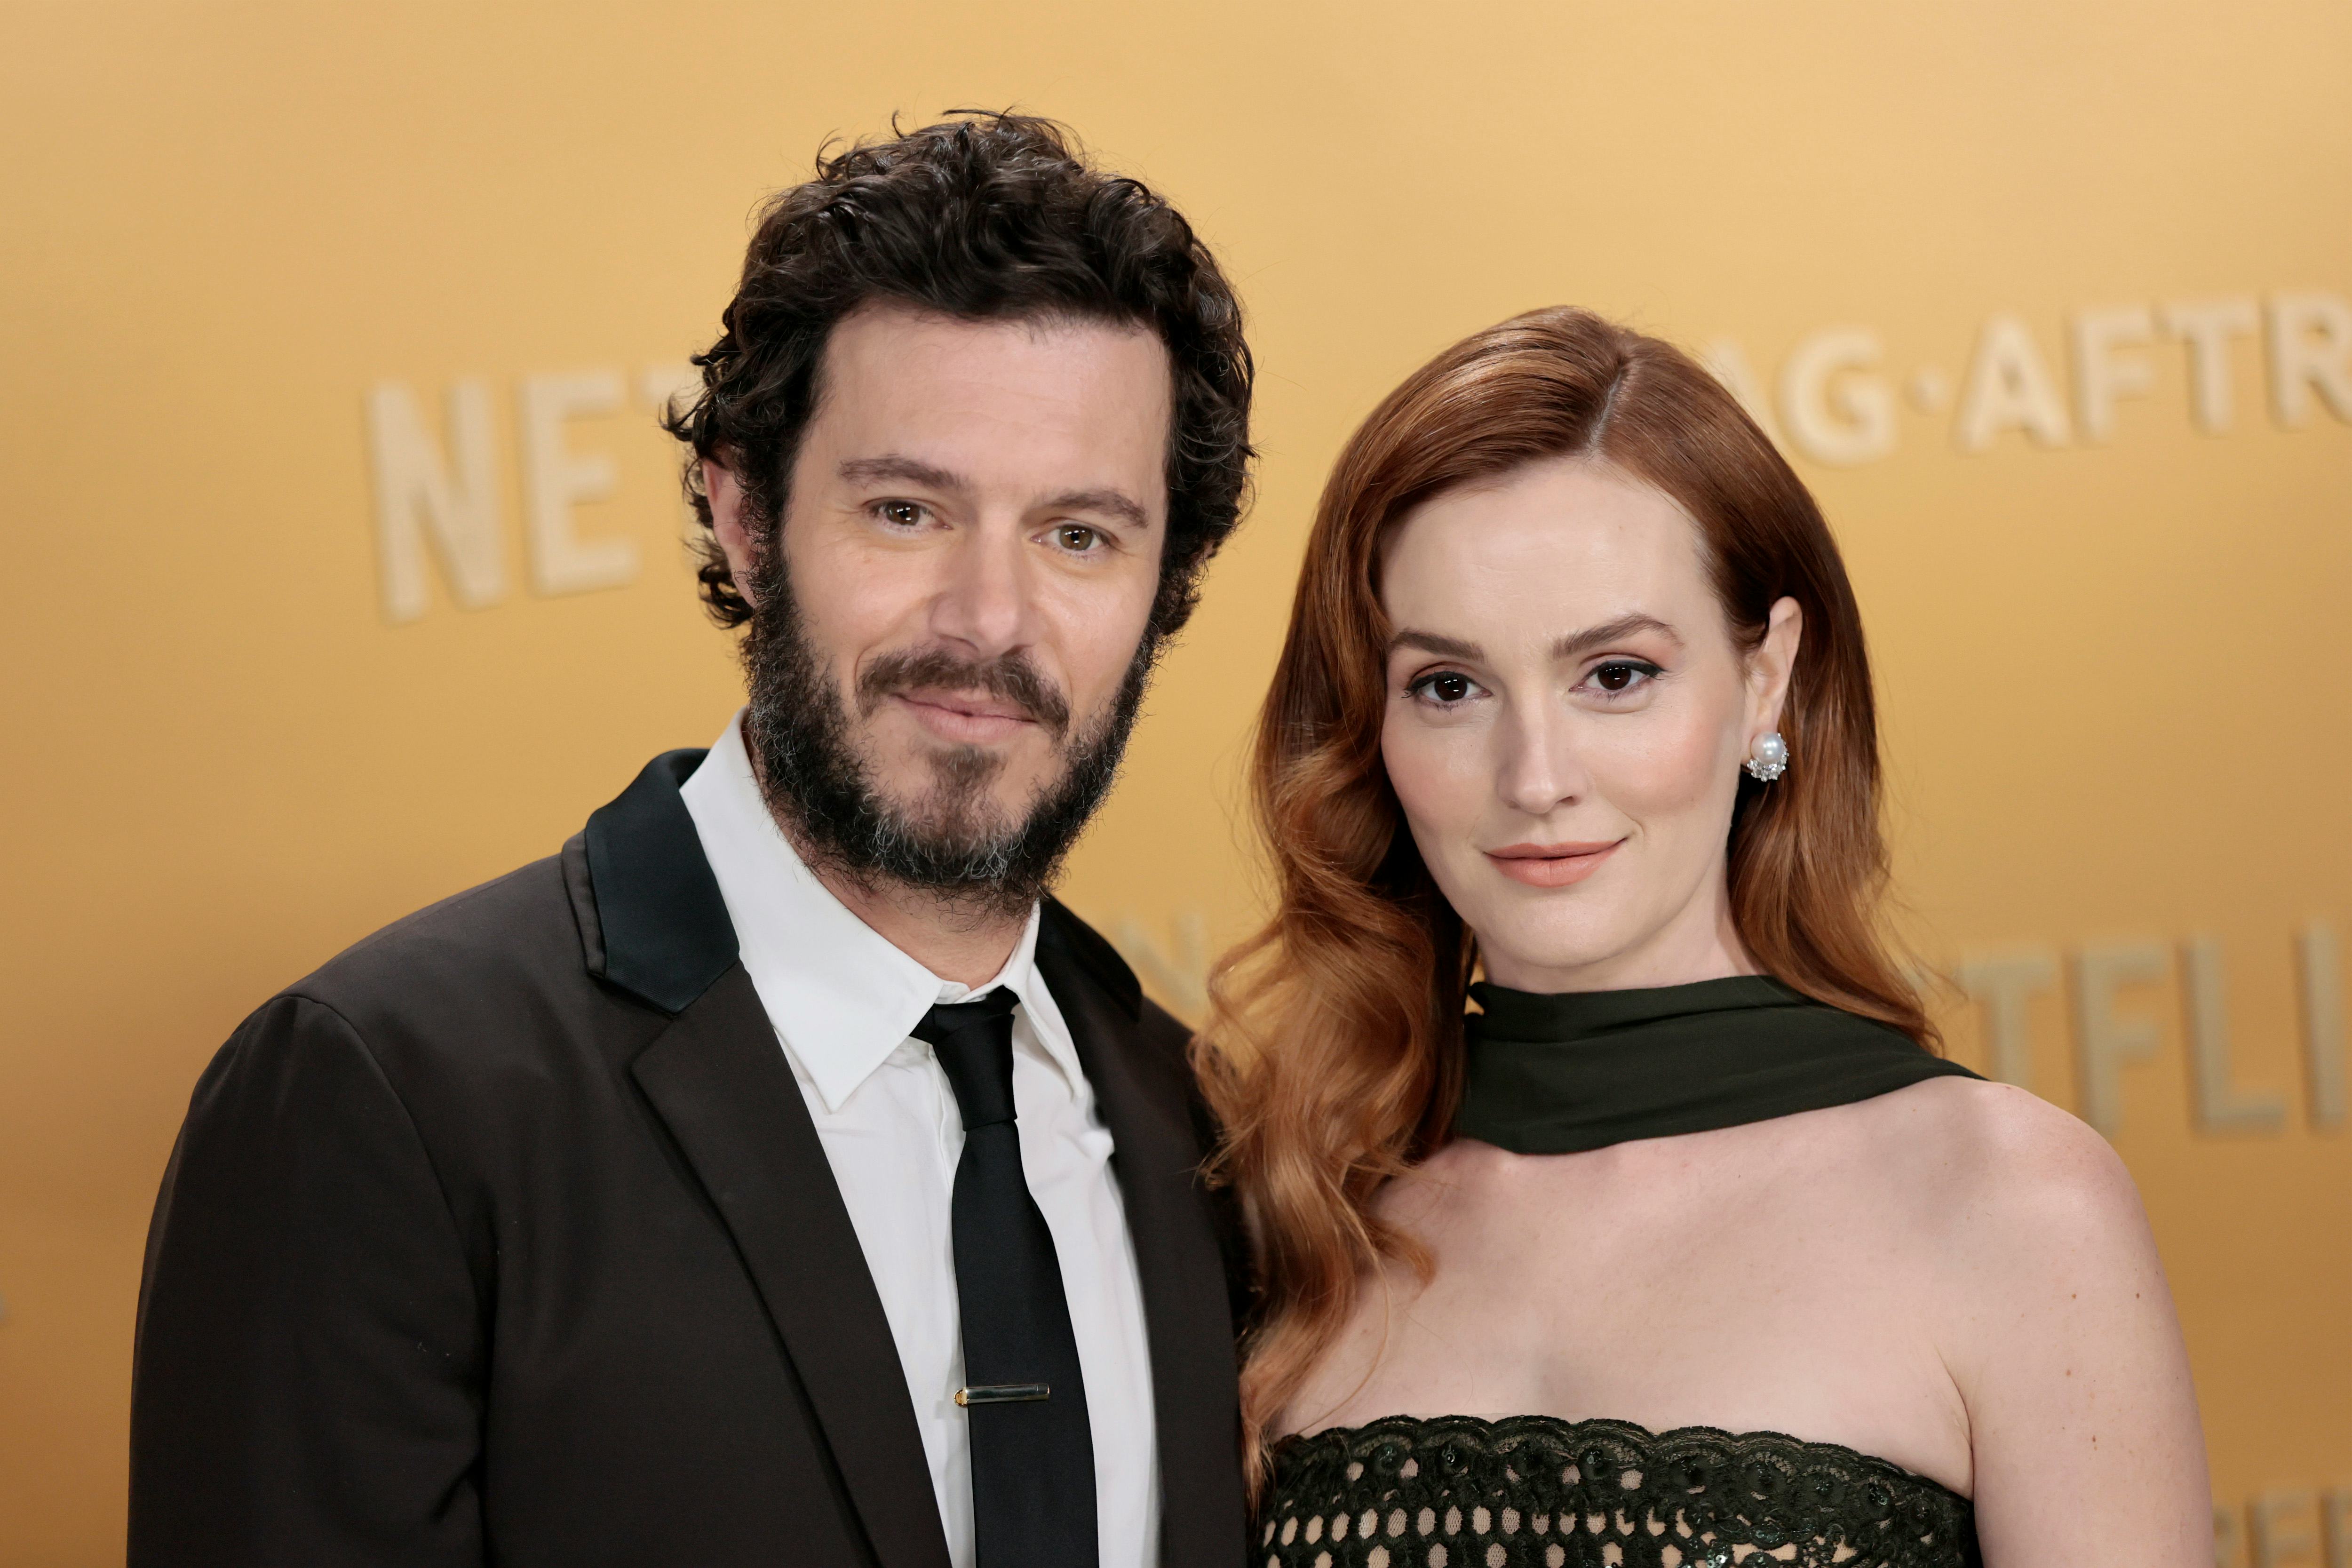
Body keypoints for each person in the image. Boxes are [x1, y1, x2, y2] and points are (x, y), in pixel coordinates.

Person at [131, 113, 1255, 1568]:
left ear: (1168, 579)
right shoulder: (387, 1097)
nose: (990, 620)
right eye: (907, 510)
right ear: (742, 512)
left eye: (1080, 535)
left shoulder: (1206, 1133)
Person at [1196, 307, 2209, 1567]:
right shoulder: (1289, 1209)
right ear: (1374, 726)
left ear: (1767, 679)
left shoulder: (2014, 1205)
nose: (1535, 775)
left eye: (1615, 674)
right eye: (1450, 687)